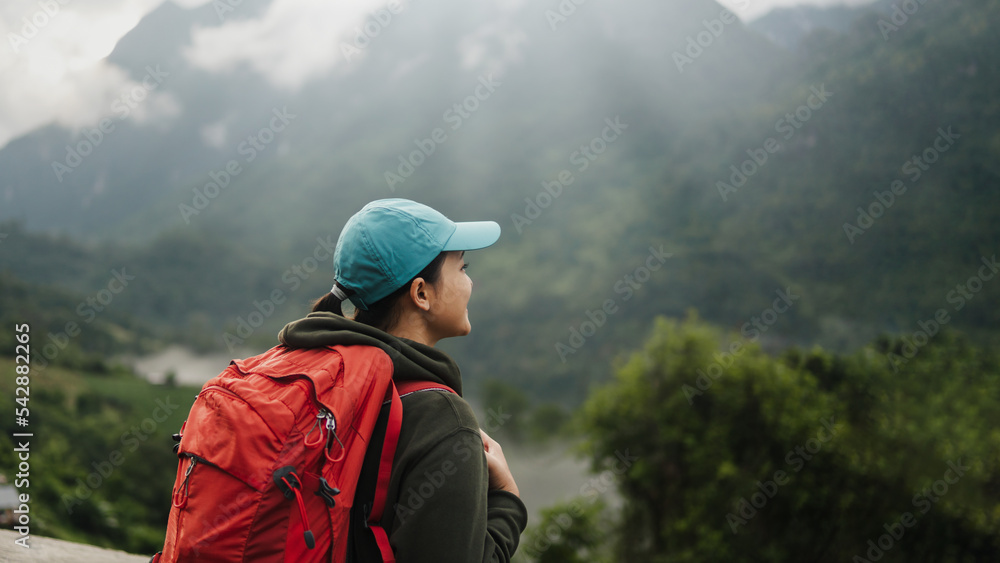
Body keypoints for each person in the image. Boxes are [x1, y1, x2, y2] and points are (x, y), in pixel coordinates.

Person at [276, 198, 527, 562]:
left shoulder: (319, 379)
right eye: (463, 267)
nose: (471, 281)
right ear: (421, 293)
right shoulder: (440, 418)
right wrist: (507, 498)